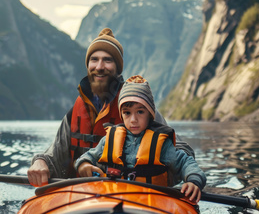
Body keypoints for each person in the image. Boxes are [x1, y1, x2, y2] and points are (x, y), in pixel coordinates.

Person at [27, 28, 195, 187]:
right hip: (81, 198)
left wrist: (190, 177)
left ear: (117, 68)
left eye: (107, 60)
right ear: (88, 65)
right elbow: (53, 156)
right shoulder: (74, 113)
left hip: (130, 197)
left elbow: (181, 150)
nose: (99, 66)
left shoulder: (136, 108)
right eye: (94, 59)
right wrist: (40, 161)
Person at [74, 75, 206, 203]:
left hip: (152, 202)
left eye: (140, 112)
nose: (133, 120)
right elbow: (87, 157)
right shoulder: (109, 140)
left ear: (150, 114)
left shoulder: (162, 145)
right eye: (127, 113)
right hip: (114, 199)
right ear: (121, 114)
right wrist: (83, 164)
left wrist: (193, 181)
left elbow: (185, 162)